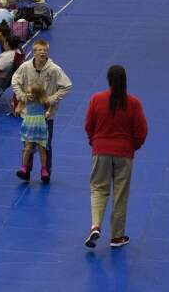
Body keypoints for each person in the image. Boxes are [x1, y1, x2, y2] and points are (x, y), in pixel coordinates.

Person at [83, 65, 147, 249]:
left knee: (98, 189)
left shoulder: (96, 99)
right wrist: (132, 147)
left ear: (108, 79)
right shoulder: (133, 103)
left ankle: (95, 226)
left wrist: (95, 142)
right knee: (120, 194)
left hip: (100, 150)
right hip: (124, 153)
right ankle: (117, 237)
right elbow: (141, 131)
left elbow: (89, 125)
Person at [12, 39, 72, 175]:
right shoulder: (25, 67)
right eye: (39, 50)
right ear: (34, 52)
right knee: (27, 146)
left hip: (46, 116)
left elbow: (67, 86)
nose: (42, 53)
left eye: (45, 50)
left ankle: (46, 172)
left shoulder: (54, 69)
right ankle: (25, 170)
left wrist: (51, 99)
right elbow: (15, 81)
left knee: (45, 145)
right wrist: (21, 97)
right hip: (28, 115)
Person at [17, 84, 52, 183]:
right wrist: (18, 109)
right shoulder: (26, 100)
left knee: (42, 150)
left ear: (38, 94)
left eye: (32, 93)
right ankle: (24, 167)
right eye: (28, 92)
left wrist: (48, 112)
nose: (29, 94)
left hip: (40, 127)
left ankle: (44, 169)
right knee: (27, 149)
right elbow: (20, 102)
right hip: (29, 126)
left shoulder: (42, 102)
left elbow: (50, 106)